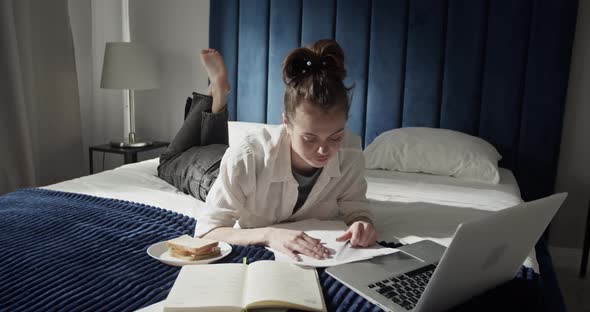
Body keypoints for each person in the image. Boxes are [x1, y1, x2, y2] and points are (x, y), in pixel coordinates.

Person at [158, 39, 377, 261]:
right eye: (309, 138)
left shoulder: (350, 153)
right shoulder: (247, 156)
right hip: (213, 173)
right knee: (170, 160)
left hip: (235, 165)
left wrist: (362, 224)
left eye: (335, 137)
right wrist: (270, 234)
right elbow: (207, 231)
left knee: (213, 146)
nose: (324, 150)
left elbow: (357, 210)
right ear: (286, 122)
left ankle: (218, 95)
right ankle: (216, 93)